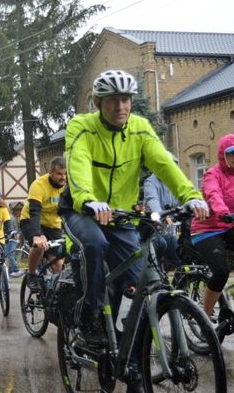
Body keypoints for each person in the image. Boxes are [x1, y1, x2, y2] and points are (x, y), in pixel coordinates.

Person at [59, 69, 208, 391]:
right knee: (95, 246)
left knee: (143, 286)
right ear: (99, 103)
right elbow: (79, 163)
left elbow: (164, 163)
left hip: (122, 216)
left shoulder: (140, 129)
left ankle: (131, 359)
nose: (121, 106)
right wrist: (88, 199)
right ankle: (89, 312)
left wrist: (191, 195)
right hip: (82, 210)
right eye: (113, 100)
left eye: (125, 99)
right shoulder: (82, 127)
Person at [191, 133, 234, 318]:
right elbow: (212, 194)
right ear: (222, 155)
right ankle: (205, 317)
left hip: (228, 227)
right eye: (231, 153)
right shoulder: (212, 174)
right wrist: (223, 212)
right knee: (221, 271)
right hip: (206, 231)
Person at [22, 156, 67, 290]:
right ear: (50, 172)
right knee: (39, 247)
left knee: (58, 265)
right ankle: (31, 274)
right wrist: (37, 235)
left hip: (52, 224)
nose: (63, 177)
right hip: (31, 220)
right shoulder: (38, 185)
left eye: (65, 174)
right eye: (59, 174)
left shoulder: (67, 187)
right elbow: (34, 212)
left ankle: (55, 296)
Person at [142, 156, 181, 269]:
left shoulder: (173, 182)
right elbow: (153, 201)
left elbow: (181, 200)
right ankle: (156, 272)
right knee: (162, 243)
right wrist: (161, 215)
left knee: (182, 249)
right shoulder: (150, 182)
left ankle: (181, 280)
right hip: (153, 227)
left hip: (170, 228)